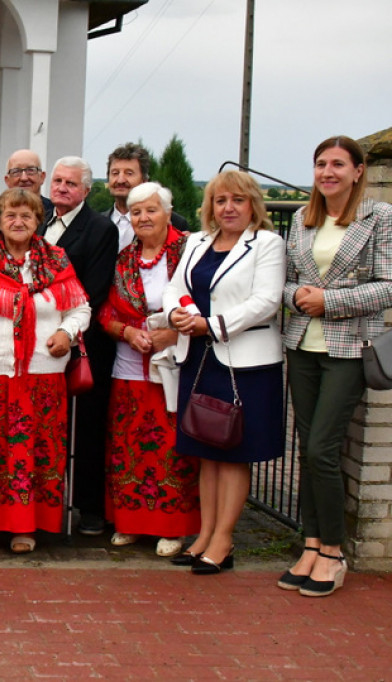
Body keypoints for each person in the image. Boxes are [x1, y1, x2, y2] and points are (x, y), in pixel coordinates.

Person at [281, 136, 392, 597]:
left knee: (324, 448)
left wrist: (332, 300)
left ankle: (333, 551)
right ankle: (309, 544)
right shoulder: (304, 220)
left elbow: (389, 285)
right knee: (308, 448)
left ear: (359, 170)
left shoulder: (379, 217)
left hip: (350, 346)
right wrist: (299, 298)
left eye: (338, 164)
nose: (328, 172)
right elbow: (285, 283)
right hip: (303, 344)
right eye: (321, 164)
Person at [164, 169, 285, 574]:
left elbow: (266, 301)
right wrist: (177, 313)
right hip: (198, 355)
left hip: (244, 360)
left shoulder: (267, 243)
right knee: (205, 450)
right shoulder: (197, 242)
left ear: (253, 204)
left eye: (237, 200)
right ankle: (204, 534)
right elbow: (173, 286)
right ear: (209, 207)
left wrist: (211, 325)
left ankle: (224, 540)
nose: (228, 208)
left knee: (233, 452)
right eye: (220, 200)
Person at [0, 188, 90, 553]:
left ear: (38, 221)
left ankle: (26, 528)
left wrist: (66, 332)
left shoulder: (56, 261)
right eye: (10, 215)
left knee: (35, 451)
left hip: (42, 374)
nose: (18, 222)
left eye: (27, 216)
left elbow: (81, 309)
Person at [99, 182, 199, 557]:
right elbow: (106, 310)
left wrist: (172, 335)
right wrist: (125, 331)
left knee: (172, 449)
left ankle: (172, 527)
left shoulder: (189, 250)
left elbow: (205, 301)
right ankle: (131, 523)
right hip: (129, 367)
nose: (143, 217)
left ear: (168, 212)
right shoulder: (124, 258)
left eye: (151, 210)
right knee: (129, 446)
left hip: (176, 367)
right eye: (136, 211)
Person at [42, 155, 119, 536]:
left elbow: (94, 287)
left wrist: (60, 321)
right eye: (57, 181)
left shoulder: (99, 228)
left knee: (86, 425)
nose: (62, 188)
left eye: (71, 183)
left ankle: (89, 507)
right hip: (40, 340)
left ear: (87, 190)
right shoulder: (41, 221)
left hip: (83, 341)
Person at [104, 143, 189, 253]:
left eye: (129, 173)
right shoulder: (96, 225)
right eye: (115, 173)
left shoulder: (174, 222)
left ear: (144, 180)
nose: (120, 180)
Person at [4, 149, 54, 217]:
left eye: (30, 170)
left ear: (42, 177)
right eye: (16, 171)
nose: (24, 178)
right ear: (7, 180)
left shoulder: (55, 212)